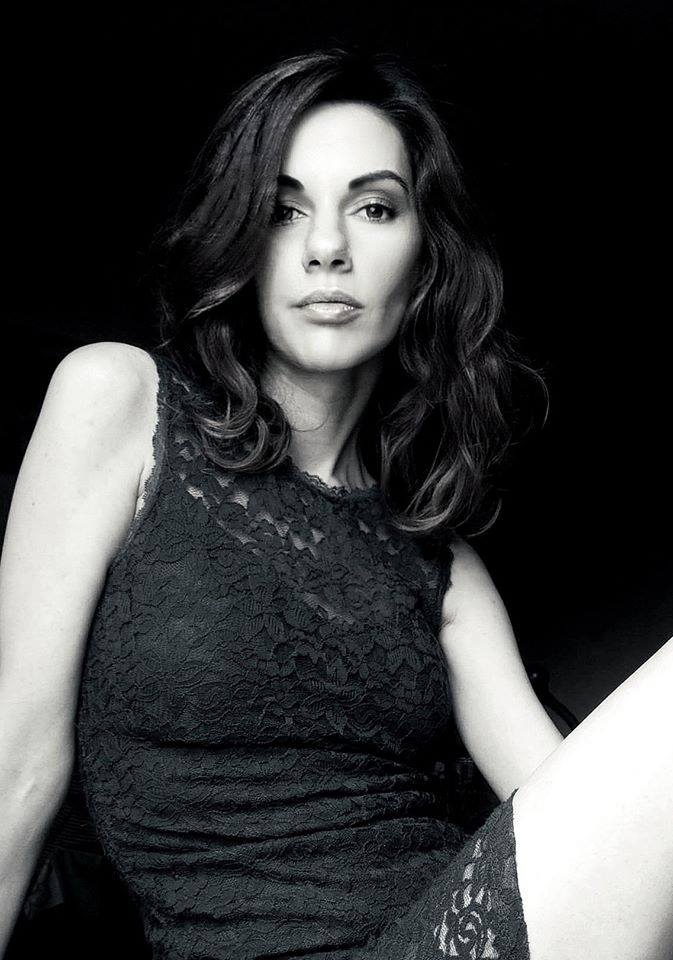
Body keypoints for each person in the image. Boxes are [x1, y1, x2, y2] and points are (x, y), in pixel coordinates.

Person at [0, 45, 671, 960]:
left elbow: (591, 824)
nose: (326, 247)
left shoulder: (438, 560)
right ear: (240, 235)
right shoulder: (118, 401)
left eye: (373, 207)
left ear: (425, 256)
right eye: (284, 210)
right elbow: (17, 770)